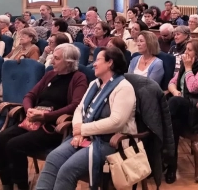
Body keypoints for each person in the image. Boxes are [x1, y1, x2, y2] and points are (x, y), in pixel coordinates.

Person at [35, 47, 136, 190]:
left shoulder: (124, 87)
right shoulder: (95, 84)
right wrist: (78, 131)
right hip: (84, 136)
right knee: (53, 158)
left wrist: (83, 129)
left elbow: (116, 122)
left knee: (67, 169)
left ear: (110, 63)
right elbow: (79, 109)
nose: (93, 64)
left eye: (98, 60)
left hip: (110, 142)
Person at [0, 43, 88, 190]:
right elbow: (30, 95)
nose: (52, 61)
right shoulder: (50, 74)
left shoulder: (78, 78)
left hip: (54, 126)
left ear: (69, 61)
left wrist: (46, 116)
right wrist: (29, 109)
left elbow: (75, 105)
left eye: (56, 58)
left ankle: (22, 185)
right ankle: (7, 182)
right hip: (33, 119)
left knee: (14, 145)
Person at [166, 39, 198, 184]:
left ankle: (166, 160)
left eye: (189, 50)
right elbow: (171, 82)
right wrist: (176, 92)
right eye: (185, 49)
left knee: (174, 109)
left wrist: (188, 69)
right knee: (173, 123)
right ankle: (171, 165)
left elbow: (193, 87)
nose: (185, 53)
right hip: (182, 109)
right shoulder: (187, 65)